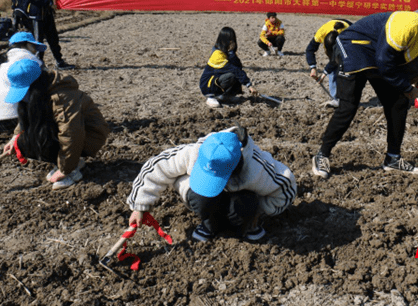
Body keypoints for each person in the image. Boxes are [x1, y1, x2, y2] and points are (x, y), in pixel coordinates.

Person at [311, 1, 418, 179]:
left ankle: (392, 158)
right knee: (349, 106)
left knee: (398, 102)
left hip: (380, 55)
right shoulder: (411, 24)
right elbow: (385, 62)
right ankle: (322, 154)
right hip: (355, 46)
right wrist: (406, 86)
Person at [127, 126, 297, 242]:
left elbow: (286, 188)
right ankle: (210, 224)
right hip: (206, 198)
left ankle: (246, 225)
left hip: (242, 196)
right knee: (200, 196)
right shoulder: (194, 152)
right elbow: (156, 167)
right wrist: (140, 206)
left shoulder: (256, 169)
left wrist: (261, 211)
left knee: (245, 204)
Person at [2, 59, 110, 190]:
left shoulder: (62, 97)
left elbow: (71, 134)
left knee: (38, 137)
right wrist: (15, 137)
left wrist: (65, 169)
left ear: (34, 85)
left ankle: (72, 170)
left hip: (90, 136)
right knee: (22, 142)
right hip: (72, 136)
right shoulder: (40, 91)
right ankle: (70, 161)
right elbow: (28, 118)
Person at [199, 27, 258, 108]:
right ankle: (211, 97)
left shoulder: (227, 53)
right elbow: (234, 70)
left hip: (219, 79)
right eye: (230, 39)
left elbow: (238, 66)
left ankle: (226, 96)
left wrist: (232, 53)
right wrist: (249, 85)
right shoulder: (217, 54)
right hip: (208, 85)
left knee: (237, 74)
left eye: (233, 39)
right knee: (233, 75)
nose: (232, 42)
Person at [0, 32, 45, 132]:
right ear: (27, 44)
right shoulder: (31, 61)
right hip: (17, 119)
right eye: (34, 46)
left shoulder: (3, 63)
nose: (35, 50)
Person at [306, 19, 352, 108]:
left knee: (346, 68)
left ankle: (348, 99)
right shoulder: (321, 33)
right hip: (332, 35)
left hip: (350, 41)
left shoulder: (347, 35)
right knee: (332, 70)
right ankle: (336, 99)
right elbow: (309, 50)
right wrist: (313, 67)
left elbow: (336, 60)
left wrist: (324, 73)